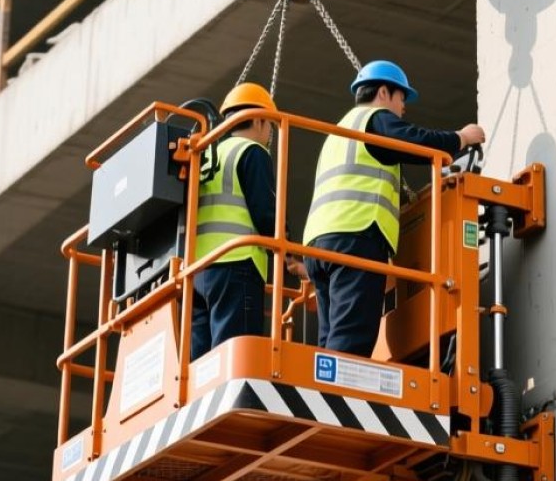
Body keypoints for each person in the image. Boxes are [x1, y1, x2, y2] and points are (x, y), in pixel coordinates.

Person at [302, 61, 485, 357]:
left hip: (318, 244)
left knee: (331, 337)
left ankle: (322, 381)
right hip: (356, 235)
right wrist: (460, 138)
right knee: (351, 336)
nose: (403, 107)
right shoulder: (375, 119)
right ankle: (337, 385)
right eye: (402, 97)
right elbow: (416, 141)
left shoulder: (338, 132)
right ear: (383, 93)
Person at [191, 83, 279, 358]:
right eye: (270, 125)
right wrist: (288, 253)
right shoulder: (251, 151)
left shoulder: (206, 155)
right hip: (237, 264)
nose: (270, 133)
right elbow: (266, 213)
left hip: (198, 272)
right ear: (259, 120)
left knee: (201, 363)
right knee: (235, 356)